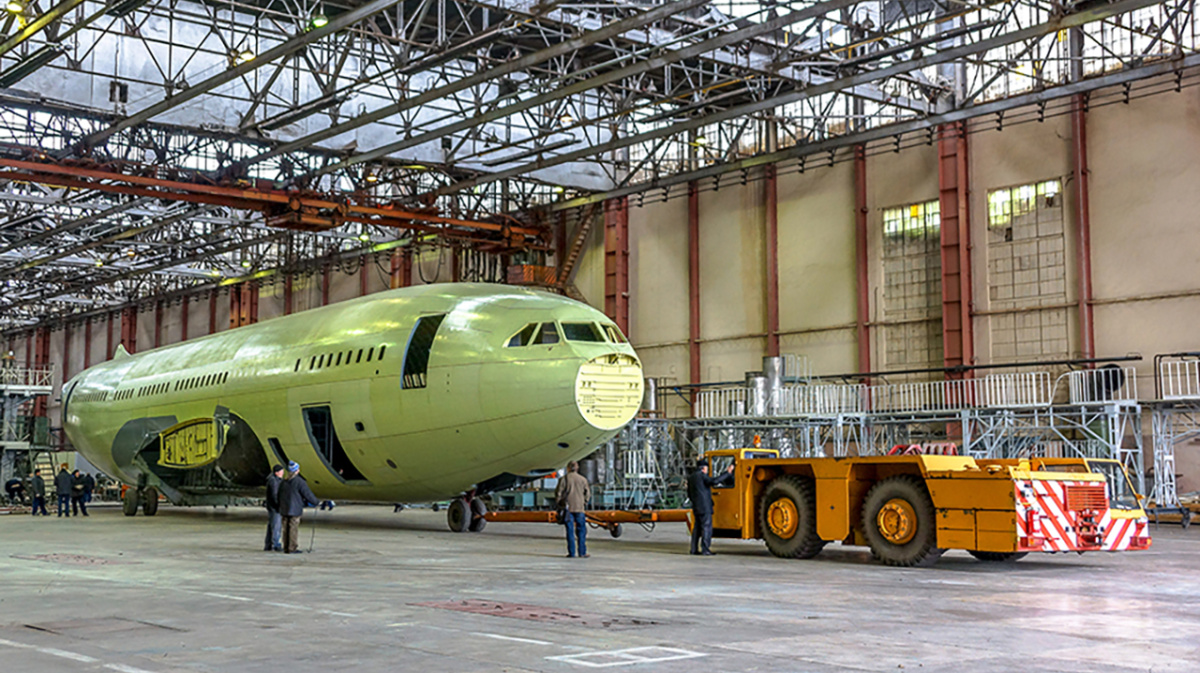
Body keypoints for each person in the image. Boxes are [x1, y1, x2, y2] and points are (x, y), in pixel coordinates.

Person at [688, 458, 734, 556]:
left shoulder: (691, 477)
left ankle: (693, 549)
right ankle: (705, 549)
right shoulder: (702, 476)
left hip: (696, 507)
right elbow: (715, 481)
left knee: (696, 529)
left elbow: (689, 493)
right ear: (704, 468)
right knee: (706, 528)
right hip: (705, 507)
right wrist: (727, 473)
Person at [277, 461, 319, 554]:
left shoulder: (284, 482)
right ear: (297, 471)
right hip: (295, 509)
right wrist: (316, 502)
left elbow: (279, 495)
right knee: (293, 529)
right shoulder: (299, 482)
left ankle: (286, 547)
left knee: (285, 529)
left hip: (284, 509)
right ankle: (292, 548)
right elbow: (307, 494)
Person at [555, 460, 591, 558]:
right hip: (580, 508)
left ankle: (571, 553)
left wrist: (559, 504)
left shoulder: (564, 479)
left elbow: (559, 493)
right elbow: (587, 493)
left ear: (568, 468)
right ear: (577, 468)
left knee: (570, 531)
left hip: (568, 509)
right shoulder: (583, 479)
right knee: (581, 531)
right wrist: (584, 502)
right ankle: (582, 552)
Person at [264, 464, 284, 552]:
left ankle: (268, 545)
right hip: (274, 507)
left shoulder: (273, 480)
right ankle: (276, 544)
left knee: (271, 526)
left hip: (272, 506)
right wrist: (279, 505)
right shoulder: (274, 482)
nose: (283, 473)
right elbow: (275, 495)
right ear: (277, 473)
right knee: (276, 526)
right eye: (281, 471)